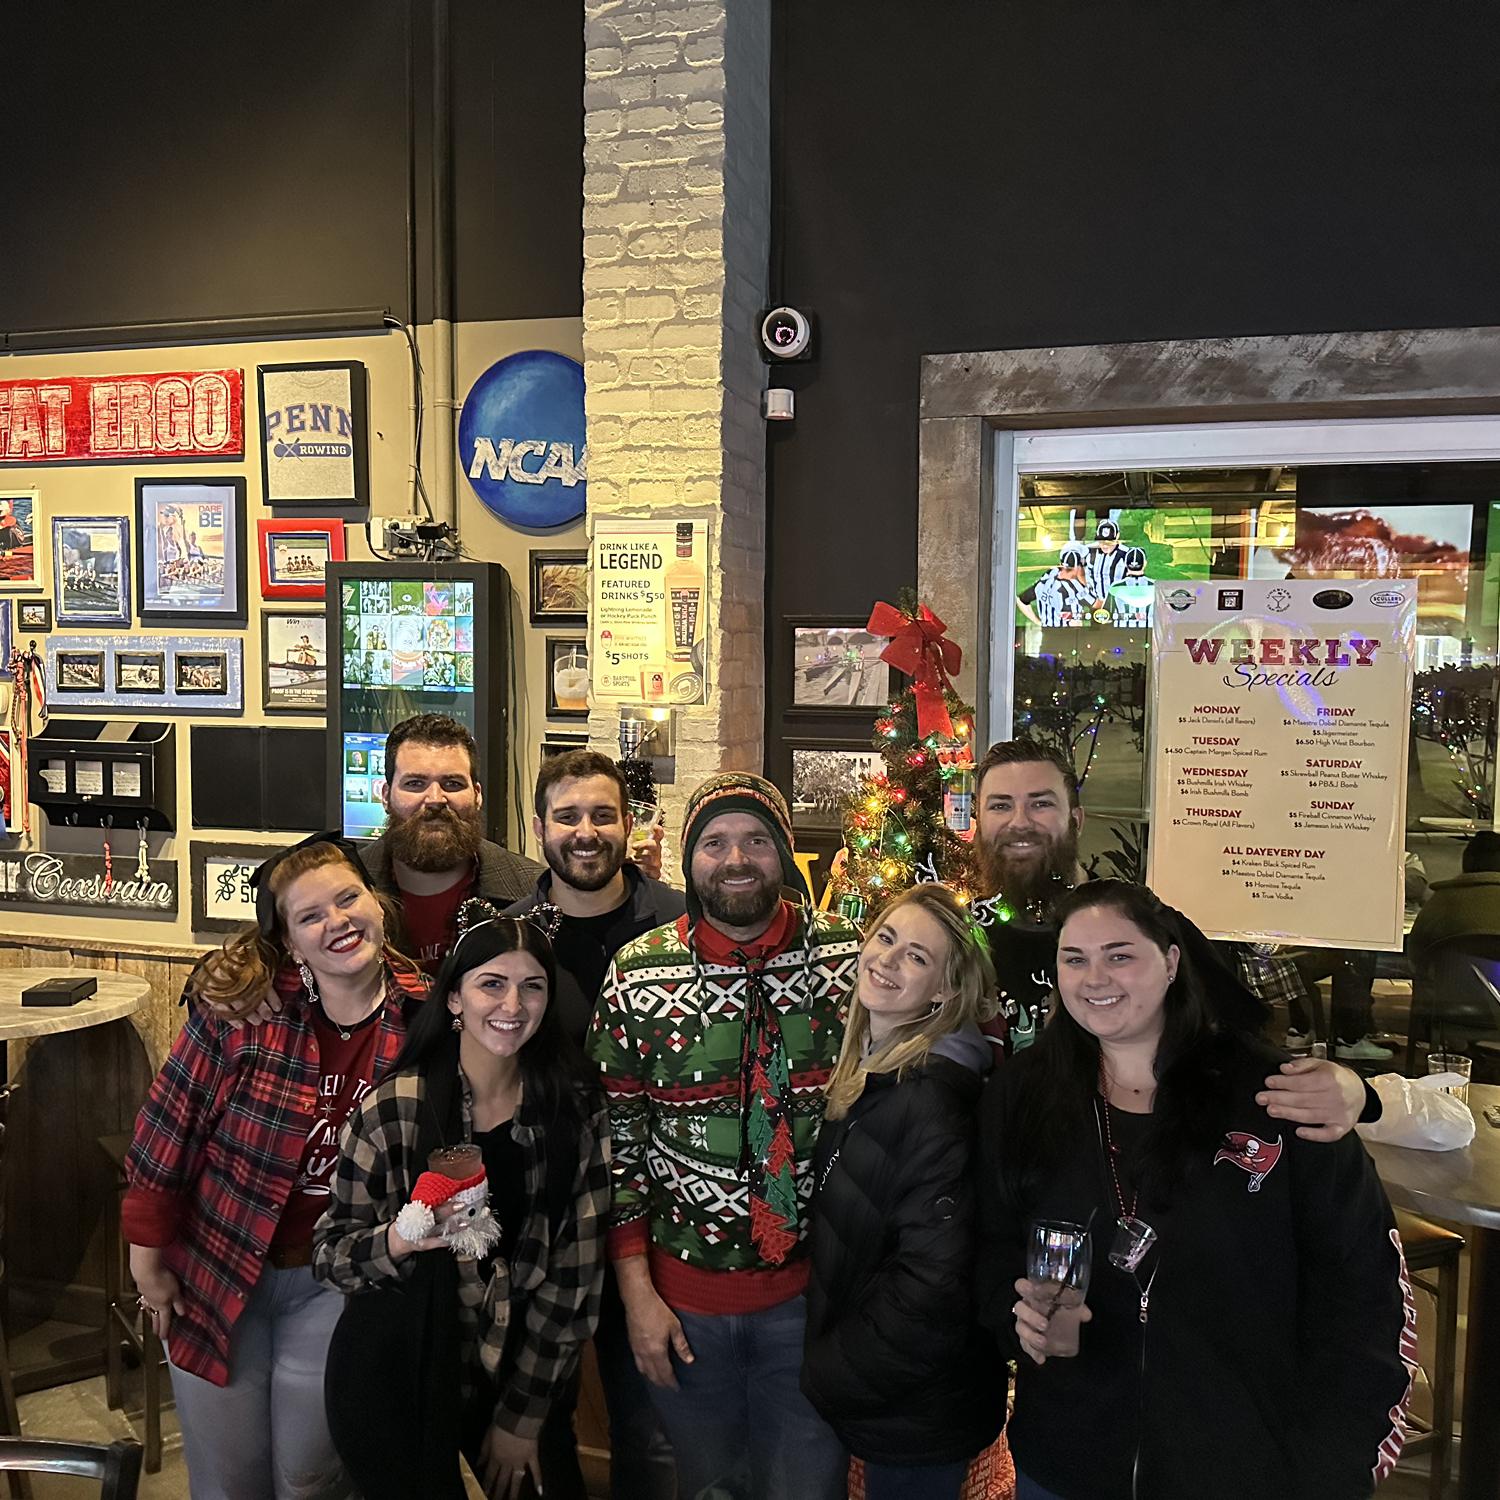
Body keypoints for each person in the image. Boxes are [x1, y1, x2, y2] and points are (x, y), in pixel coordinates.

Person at [976, 880, 1416, 1500]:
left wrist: (1333, 1467)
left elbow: (1362, 1292)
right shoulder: (1022, 1097)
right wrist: (1014, 1315)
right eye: (1074, 959)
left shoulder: (1276, 1098)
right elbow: (992, 1245)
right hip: (1066, 1461)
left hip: (1244, 1467)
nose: (1095, 977)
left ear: (1172, 961)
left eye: (1120, 955)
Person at [123, 836, 427, 1500]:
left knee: (309, 1477)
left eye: (348, 898)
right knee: (228, 1481)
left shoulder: (429, 1015)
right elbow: (166, 1128)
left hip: (335, 1279)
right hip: (217, 1264)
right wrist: (146, 1258)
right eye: (310, 915)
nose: (337, 922)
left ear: (376, 901)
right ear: (288, 941)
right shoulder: (244, 1008)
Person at [589, 773, 855, 1500]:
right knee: (713, 1489)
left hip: (813, 1307)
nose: (736, 858)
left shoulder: (851, 961)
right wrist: (638, 1296)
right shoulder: (639, 973)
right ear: (688, 861)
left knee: (809, 1487)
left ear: (786, 854)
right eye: (714, 842)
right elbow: (621, 1153)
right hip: (684, 1311)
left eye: (757, 840)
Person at [315, 902, 609, 1500]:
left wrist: (520, 1418)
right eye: (491, 984)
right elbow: (330, 1255)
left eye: (532, 987)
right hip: (403, 1366)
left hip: (522, 1366)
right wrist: (398, 1239)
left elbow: (575, 1278)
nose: (512, 1006)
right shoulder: (394, 1111)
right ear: (453, 999)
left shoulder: (573, 1109)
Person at [971, 736, 1374, 1137]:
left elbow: (1244, 1052)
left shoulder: (1152, 927)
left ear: (1076, 819)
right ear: (979, 821)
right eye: (1001, 805)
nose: (1019, 821)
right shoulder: (960, 940)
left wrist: (1356, 1093)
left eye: (1041, 803)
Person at [504, 749, 685, 1500]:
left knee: (652, 1425)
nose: (586, 832)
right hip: (543, 1216)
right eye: (568, 816)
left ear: (628, 823)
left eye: (602, 815)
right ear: (539, 826)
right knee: (537, 1424)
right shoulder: (512, 938)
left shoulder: (678, 922)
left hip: (659, 1215)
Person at [802, 884, 1005, 1499]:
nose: (887, 961)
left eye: (917, 956)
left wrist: (829, 1373)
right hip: (895, 1400)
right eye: (885, 939)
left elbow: (931, 1287)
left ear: (945, 991)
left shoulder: (932, 1099)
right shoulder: (875, 1072)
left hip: (919, 1412)